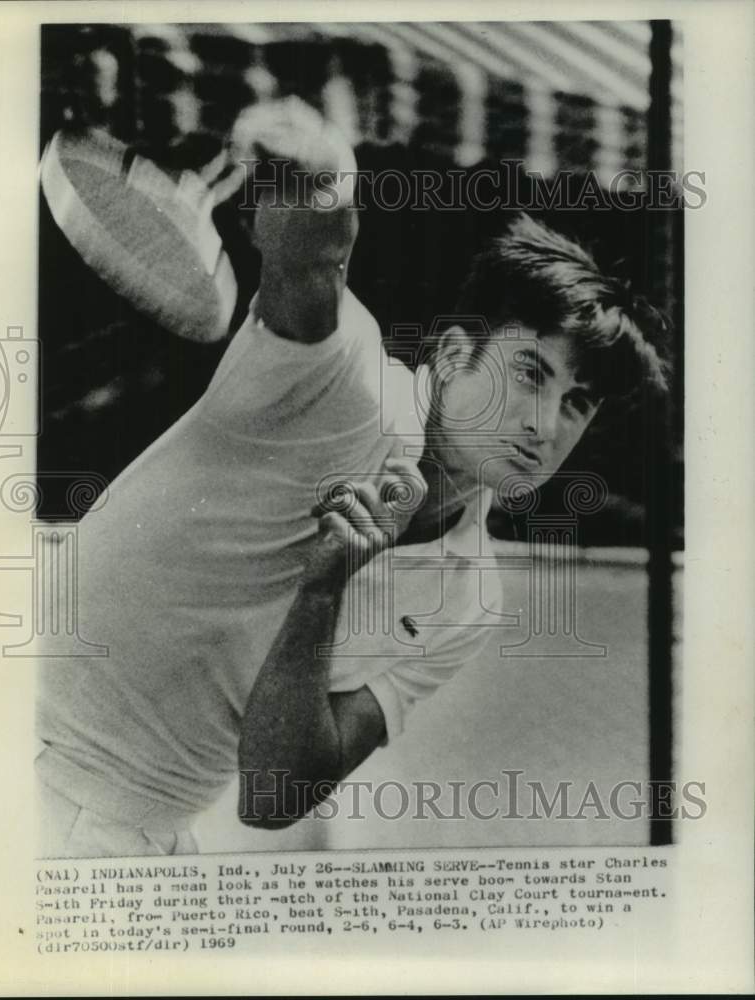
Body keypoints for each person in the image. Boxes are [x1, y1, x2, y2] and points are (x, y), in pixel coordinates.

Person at [36, 98, 669, 856]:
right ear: (457, 354)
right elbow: (314, 255)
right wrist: (324, 166)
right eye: (530, 373)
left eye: (577, 403)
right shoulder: (345, 377)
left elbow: (274, 795)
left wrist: (322, 589)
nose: (544, 423)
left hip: (140, 835)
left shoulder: (470, 599)